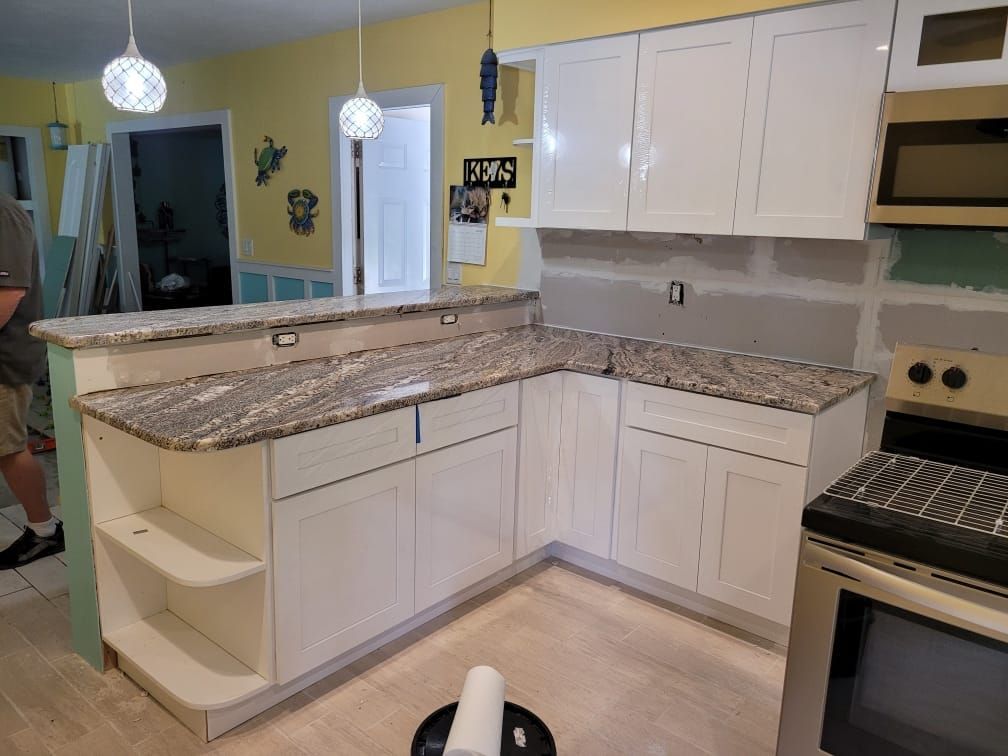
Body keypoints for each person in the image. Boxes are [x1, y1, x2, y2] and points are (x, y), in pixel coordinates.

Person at [0, 192, 63, 569]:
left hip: (5, 359)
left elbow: (8, 295)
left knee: (7, 449)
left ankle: (44, 531)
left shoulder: (3, 213)